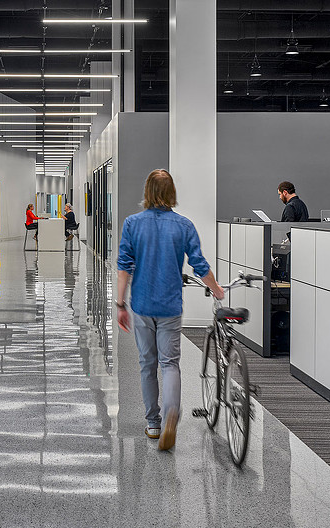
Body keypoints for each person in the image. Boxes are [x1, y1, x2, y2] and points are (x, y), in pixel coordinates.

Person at [116, 169, 224, 451]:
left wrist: (120, 304)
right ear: (171, 192)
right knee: (170, 363)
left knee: (146, 364)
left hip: (141, 304)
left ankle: (153, 422)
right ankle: (171, 414)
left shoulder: (132, 224)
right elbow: (199, 264)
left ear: (147, 192)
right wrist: (216, 288)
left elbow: (124, 267)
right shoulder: (184, 225)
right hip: (170, 305)